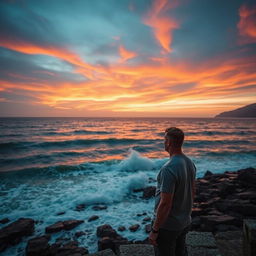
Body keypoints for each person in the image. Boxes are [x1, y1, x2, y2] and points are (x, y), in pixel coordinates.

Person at [149, 127, 196, 256]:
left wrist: (155, 230)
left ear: (168, 142)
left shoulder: (169, 169)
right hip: (184, 222)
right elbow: (192, 191)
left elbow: (165, 203)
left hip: (168, 226)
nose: (163, 142)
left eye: (164, 139)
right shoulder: (189, 162)